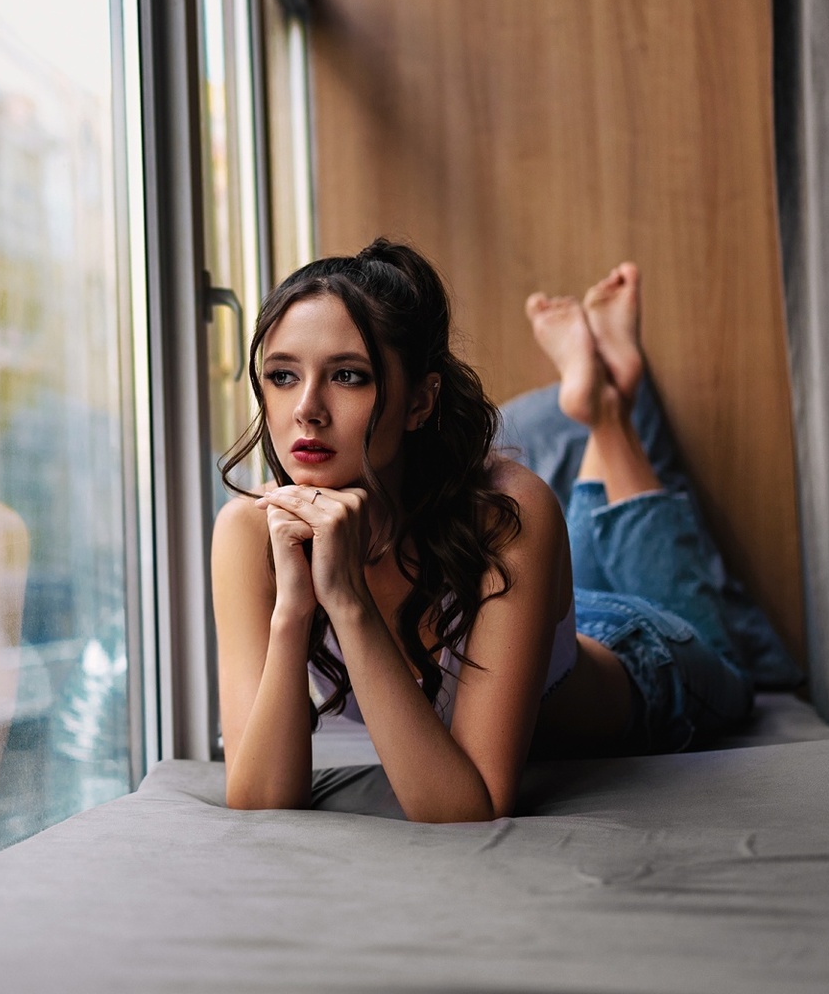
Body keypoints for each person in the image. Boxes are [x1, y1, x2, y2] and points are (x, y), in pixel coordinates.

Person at [211, 239, 756, 823]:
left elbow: (467, 807)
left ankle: (608, 413)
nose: (307, 409)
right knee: (577, 571)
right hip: (527, 615)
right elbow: (261, 799)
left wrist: (345, 599)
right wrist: (294, 609)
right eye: (283, 375)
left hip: (640, 659)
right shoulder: (250, 531)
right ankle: (599, 400)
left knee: (728, 660)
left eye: (349, 376)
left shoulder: (507, 512)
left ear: (421, 400)